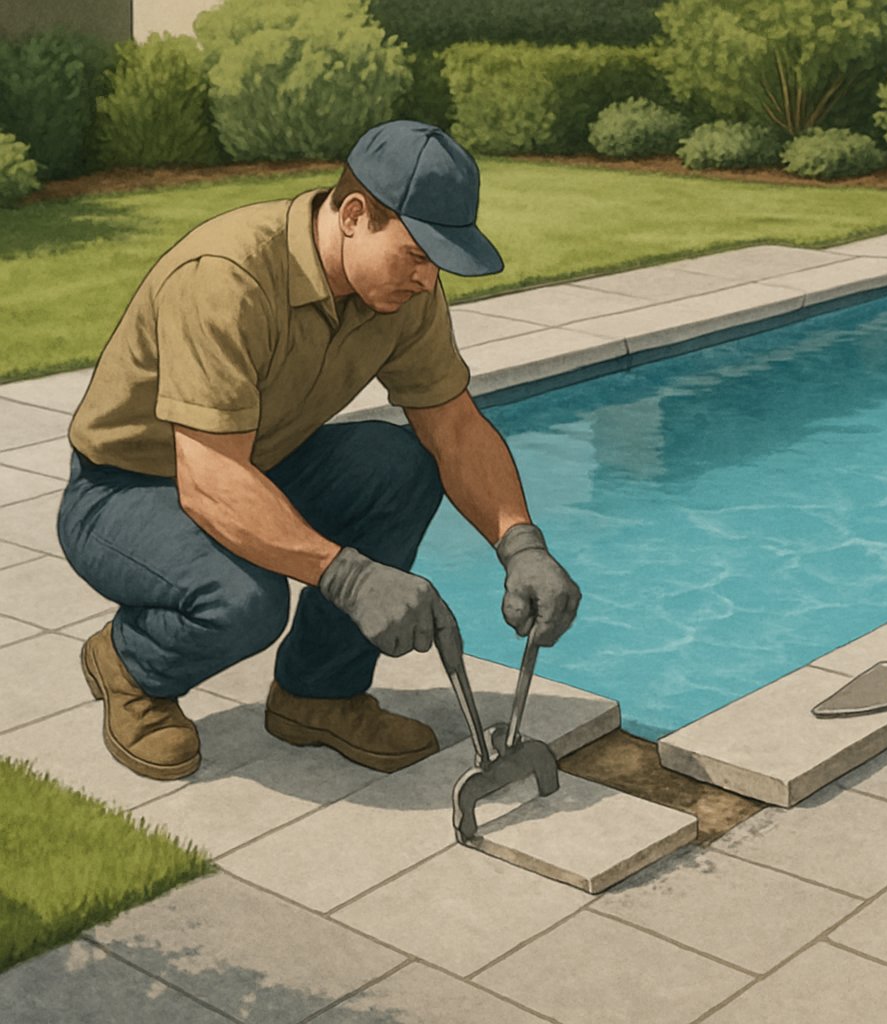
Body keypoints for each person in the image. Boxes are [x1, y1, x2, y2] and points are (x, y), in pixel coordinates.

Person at [57, 120, 581, 781]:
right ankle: (131, 664)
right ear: (355, 215)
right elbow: (209, 479)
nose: (428, 280)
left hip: (259, 461)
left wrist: (521, 544)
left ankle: (317, 694)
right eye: (418, 255)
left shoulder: (403, 292)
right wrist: (351, 578)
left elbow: (452, 426)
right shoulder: (226, 277)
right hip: (126, 490)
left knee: (403, 466)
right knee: (245, 599)